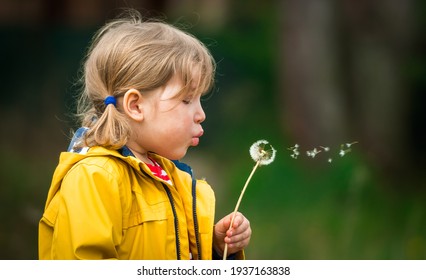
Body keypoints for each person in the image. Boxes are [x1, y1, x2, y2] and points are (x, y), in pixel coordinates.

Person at [38, 9, 251, 260]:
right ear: (136, 106)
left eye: (199, 100)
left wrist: (216, 248)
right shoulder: (94, 178)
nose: (201, 114)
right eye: (186, 100)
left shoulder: (169, 177)